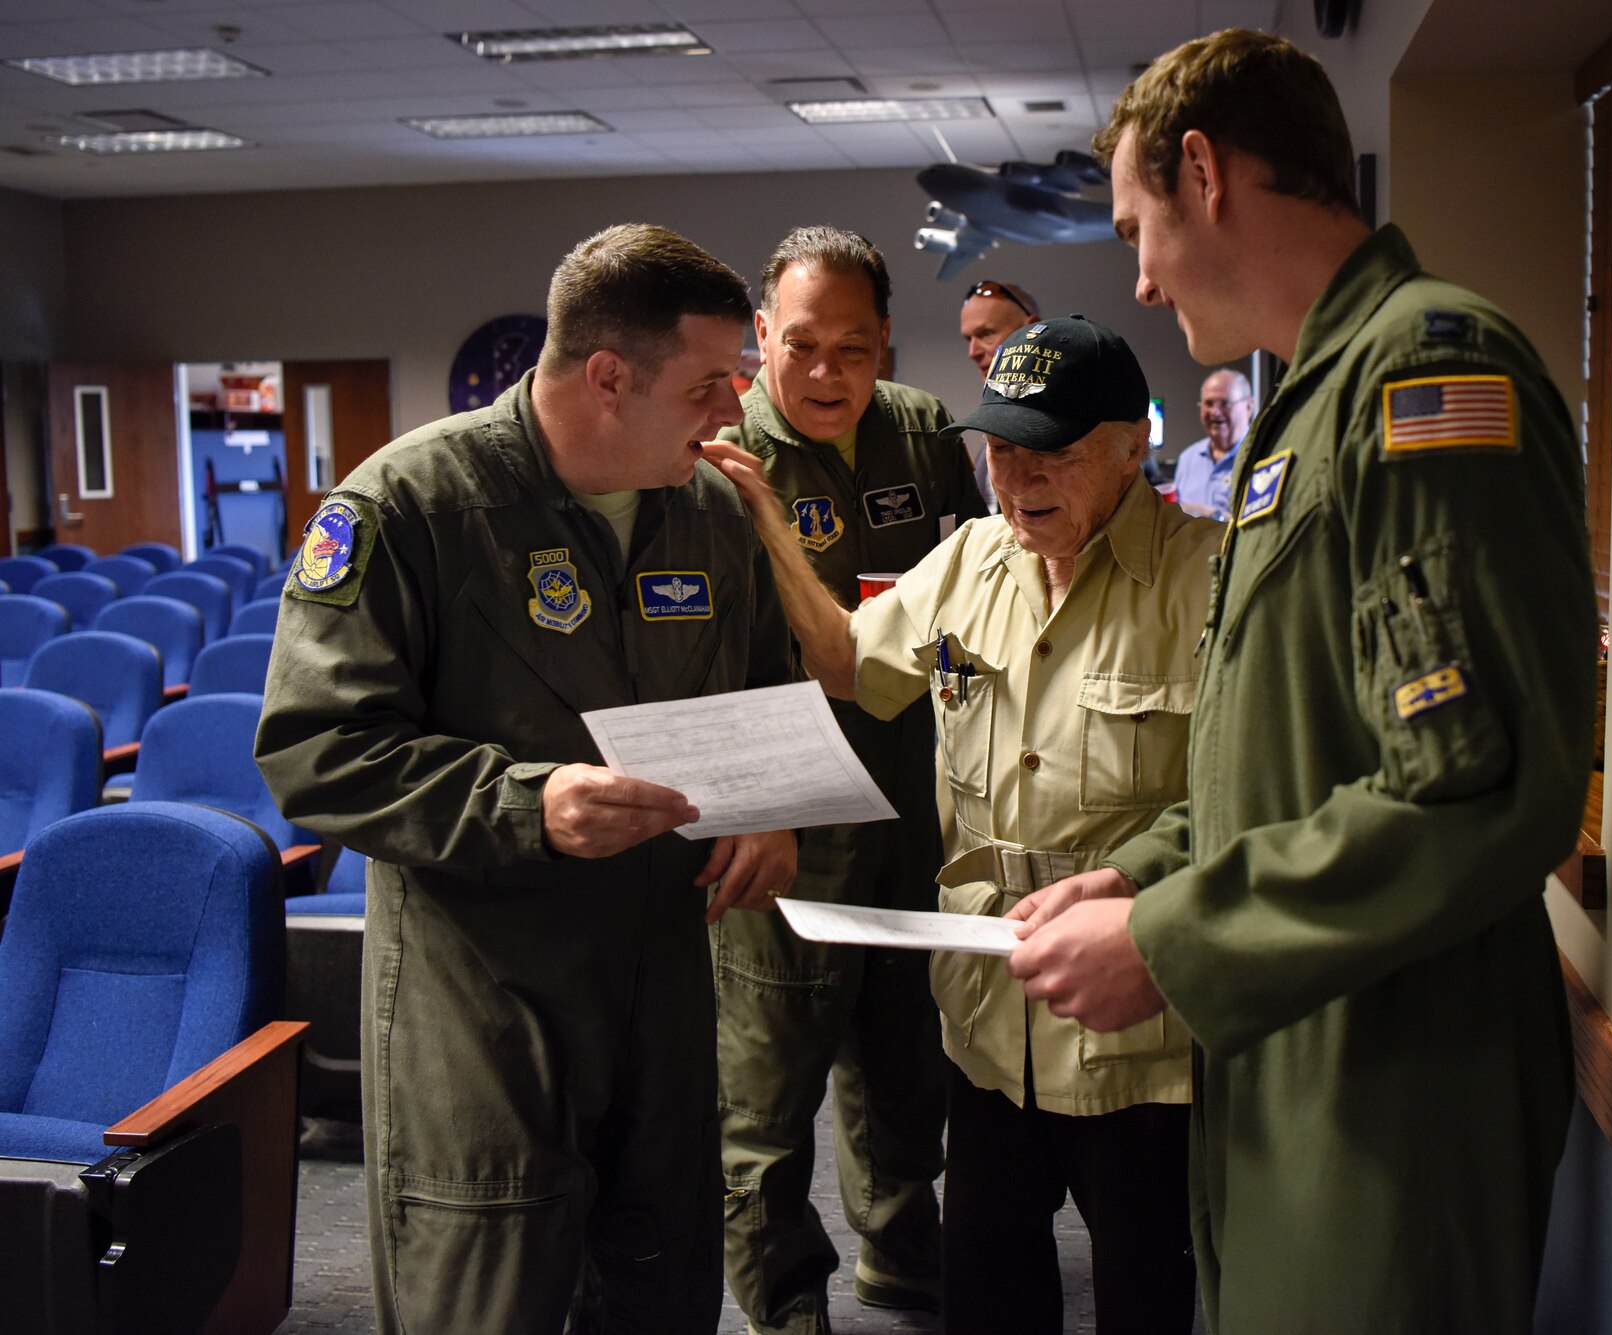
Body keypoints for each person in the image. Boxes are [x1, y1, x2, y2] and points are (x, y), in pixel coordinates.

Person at [1005, 30, 1596, 1335]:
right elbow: (1297, 744)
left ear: (1204, 173)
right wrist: (1148, 871)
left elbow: (1481, 788)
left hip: (1398, 1078)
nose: (1141, 282)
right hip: (1303, 1045)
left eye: (1134, 227)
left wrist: (1169, 940)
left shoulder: (1429, 372)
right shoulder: (1307, 401)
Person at [254, 223, 799, 1335]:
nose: (731, 412)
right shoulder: (408, 507)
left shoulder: (705, 509)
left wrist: (768, 808)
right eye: (706, 385)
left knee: (662, 1269)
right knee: (488, 1276)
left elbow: (757, 683)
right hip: (484, 982)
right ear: (608, 378)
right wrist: (524, 803)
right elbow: (317, 750)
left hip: (661, 958)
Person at [704, 314, 1218, 1335]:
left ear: (1131, 446)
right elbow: (848, 662)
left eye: (1053, 452)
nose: (1017, 477)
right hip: (986, 1020)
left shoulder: (1207, 576)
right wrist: (763, 518)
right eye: (999, 448)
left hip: (1139, 1028)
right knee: (988, 1299)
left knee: (1147, 1299)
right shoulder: (971, 561)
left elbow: (1249, 799)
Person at [712, 226, 986, 1335]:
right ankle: (784, 1305)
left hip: (909, 802)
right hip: (784, 814)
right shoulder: (717, 449)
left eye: (855, 349)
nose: (828, 375)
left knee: (903, 1055)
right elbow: (699, 654)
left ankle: (898, 1247)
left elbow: (967, 595)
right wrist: (752, 809)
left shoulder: (919, 429)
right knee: (770, 1090)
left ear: (885, 345)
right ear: (762, 336)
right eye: (803, 346)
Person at [957, 278, 1041, 510]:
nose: (972, 352)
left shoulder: (1070, 426)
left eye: (985, 334)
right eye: (968, 338)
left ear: (1031, 331)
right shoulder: (994, 430)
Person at [1171, 368, 1254, 516]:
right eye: (1208, 403)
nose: (1215, 412)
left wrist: (1214, 515)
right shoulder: (1187, 458)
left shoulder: (1262, 455)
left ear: (1249, 406)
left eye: (1224, 403)